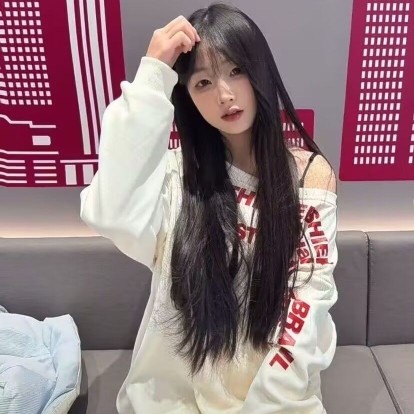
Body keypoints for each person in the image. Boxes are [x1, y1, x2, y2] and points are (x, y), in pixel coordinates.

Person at [80, 2, 338, 413]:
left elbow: (307, 304)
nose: (224, 94)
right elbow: (110, 213)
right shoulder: (176, 178)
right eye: (203, 82)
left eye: (236, 71)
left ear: (259, 71)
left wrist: (267, 403)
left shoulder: (309, 176)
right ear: (188, 97)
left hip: (277, 396)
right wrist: (152, 76)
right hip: (175, 397)